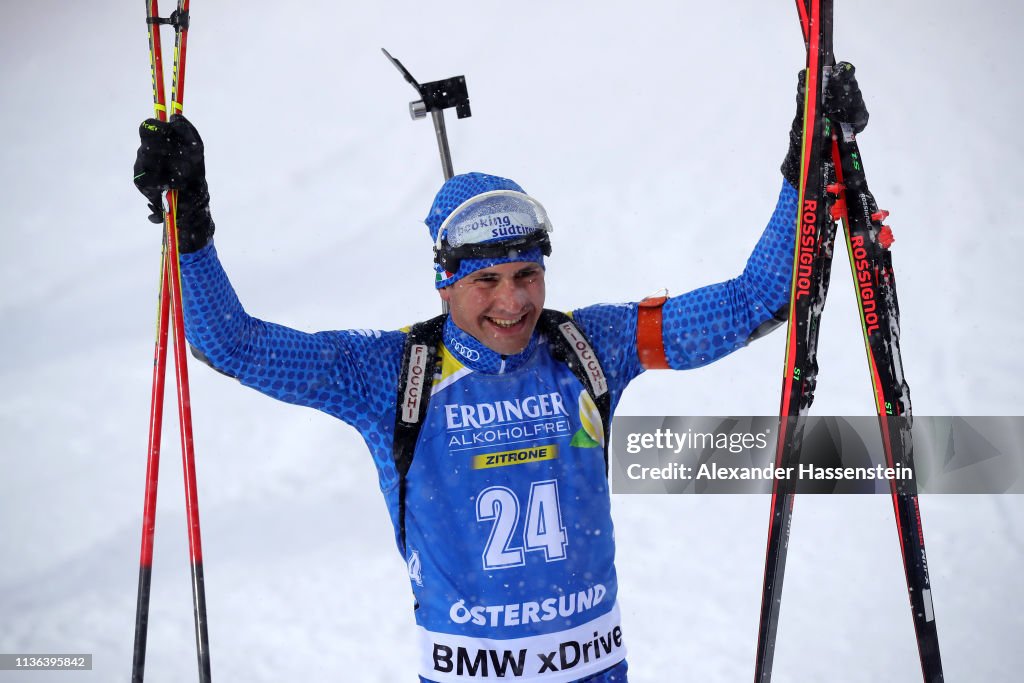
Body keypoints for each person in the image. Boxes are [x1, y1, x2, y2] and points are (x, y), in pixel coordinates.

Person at [133, 64, 868, 683]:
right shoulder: (391, 372)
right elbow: (232, 343)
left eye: (527, 274)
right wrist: (189, 222)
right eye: (487, 282)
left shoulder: (591, 345)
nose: (512, 301)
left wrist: (802, 164)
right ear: (444, 282)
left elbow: (756, 299)